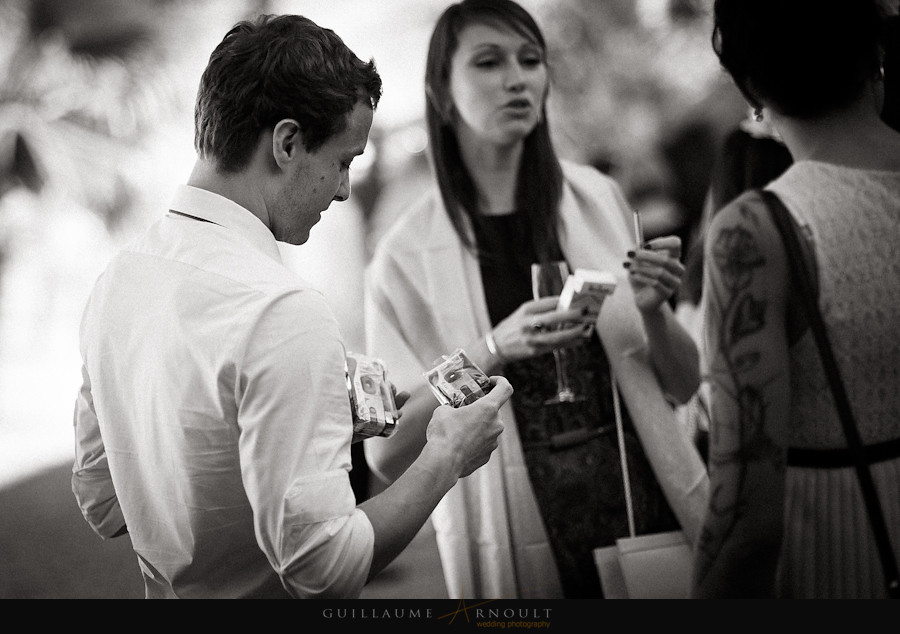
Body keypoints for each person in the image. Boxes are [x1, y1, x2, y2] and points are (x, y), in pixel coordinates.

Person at [71, 14, 513, 599]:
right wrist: (447, 455)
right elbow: (324, 571)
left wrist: (301, 424)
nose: (343, 190)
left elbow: (104, 502)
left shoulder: (118, 279)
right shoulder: (280, 310)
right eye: (344, 160)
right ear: (286, 143)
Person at [363, 0, 708, 599]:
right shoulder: (405, 255)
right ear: (442, 92)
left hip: (645, 510)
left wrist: (652, 311)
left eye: (530, 60)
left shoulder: (597, 198)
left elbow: (683, 383)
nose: (517, 78)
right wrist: (493, 348)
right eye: (489, 62)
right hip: (514, 534)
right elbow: (388, 451)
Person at [694, 0, 900, 598]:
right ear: (877, 56)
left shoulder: (757, 233)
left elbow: (747, 520)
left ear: (753, 90)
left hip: (841, 552)